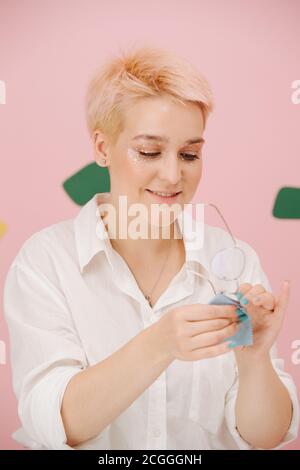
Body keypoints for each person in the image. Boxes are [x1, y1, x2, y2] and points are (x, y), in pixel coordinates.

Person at [3, 45, 299, 450]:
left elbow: (265, 437)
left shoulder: (234, 260)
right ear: (103, 149)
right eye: (149, 151)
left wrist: (255, 361)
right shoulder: (46, 262)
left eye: (190, 154)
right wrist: (159, 343)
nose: (173, 174)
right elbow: (55, 423)